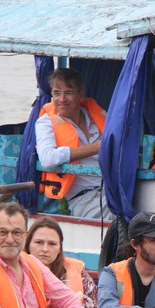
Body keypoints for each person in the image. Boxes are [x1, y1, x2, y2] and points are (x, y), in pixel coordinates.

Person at [34, 67, 113, 221]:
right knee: (126, 216)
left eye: (68, 93)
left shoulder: (97, 117)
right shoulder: (46, 122)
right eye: (57, 93)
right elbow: (47, 158)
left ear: (81, 94)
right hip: (85, 199)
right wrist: (96, 148)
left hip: (112, 190)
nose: (62, 99)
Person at [24, 216, 99, 308]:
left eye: (52, 244)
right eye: (39, 242)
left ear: (60, 247)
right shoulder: (16, 271)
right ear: (28, 244)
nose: (45, 249)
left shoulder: (78, 272)